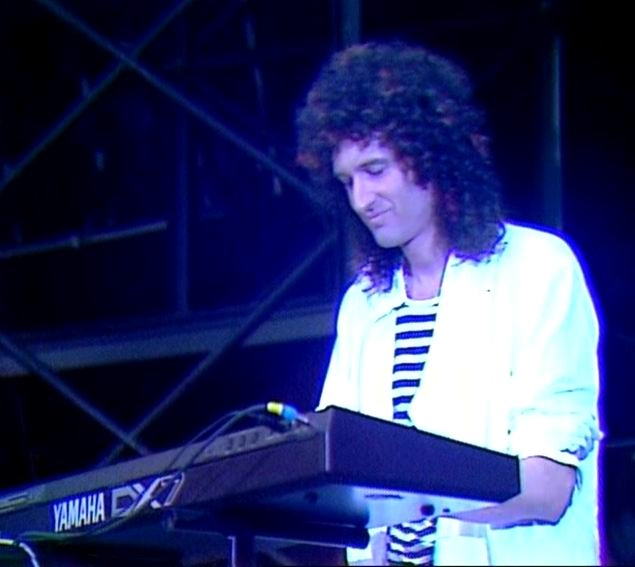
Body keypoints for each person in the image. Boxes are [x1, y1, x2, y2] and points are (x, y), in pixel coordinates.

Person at [295, 42, 602, 566]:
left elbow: (547, 487)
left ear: (432, 156)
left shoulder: (538, 268)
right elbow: (340, 484)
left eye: (375, 169)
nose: (360, 199)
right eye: (347, 181)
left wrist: (405, 497)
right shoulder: (363, 305)